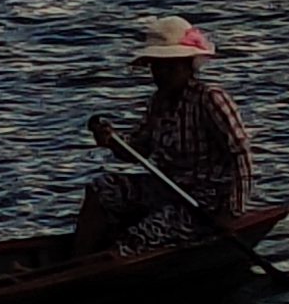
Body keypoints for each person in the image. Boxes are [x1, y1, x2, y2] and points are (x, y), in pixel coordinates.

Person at [73, 16, 256, 253]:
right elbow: (137, 151)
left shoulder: (210, 98)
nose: (162, 73)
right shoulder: (158, 103)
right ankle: (76, 257)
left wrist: (231, 211)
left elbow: (240, 154)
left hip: (204, 201)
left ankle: (114, 256)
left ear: (188, 66)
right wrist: (112, 141)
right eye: (157, 66)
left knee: (140, 237)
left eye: (171, 66)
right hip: (168, 188)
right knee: (101, 187)